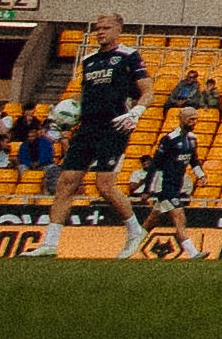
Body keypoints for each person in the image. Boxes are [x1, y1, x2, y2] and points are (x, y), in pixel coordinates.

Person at [52, 14, 149, 233]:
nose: (100, 32)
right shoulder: (89, 60)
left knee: (104, 185)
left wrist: (135, 113)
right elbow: (86, 93)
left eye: (106, 27)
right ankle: (49, 243)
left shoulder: (129, 56)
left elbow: (147, 91)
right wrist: (69, 110)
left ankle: (135, 230)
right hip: (87, 127)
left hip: (113, 127)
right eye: (97, 28)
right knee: (66, 181)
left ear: (118, 30)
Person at [119, 112, 204, 257]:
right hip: (166, 187)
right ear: (182, 119)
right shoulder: (169, 139)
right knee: (180, 219)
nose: (193, 122)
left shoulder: (192, 139)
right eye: (191, 119)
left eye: (195, 119)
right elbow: (154, 165)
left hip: (177, 186)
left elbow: (193, 159)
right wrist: (147, 190)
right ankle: (193, 253)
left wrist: (201, 175)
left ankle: (126, 252)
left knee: (150, 222)